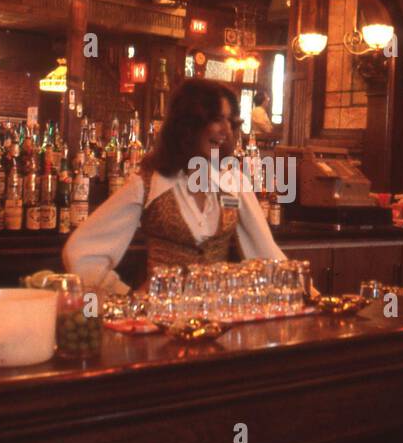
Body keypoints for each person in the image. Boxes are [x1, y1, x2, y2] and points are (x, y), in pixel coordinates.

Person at [63, 79, 287, 292]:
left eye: (230, 121)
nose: (225, 130)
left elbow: (268, 256)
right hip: (160, 323)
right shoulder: (148, 184)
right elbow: (81, 252)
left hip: (217, 321)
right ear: (189, 125)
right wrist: (124, 295)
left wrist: (309, 294)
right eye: (217, 119)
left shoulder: (233, 183)